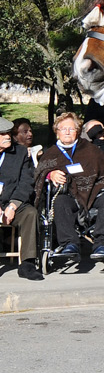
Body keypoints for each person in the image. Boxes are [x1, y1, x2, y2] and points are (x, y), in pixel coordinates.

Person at [35, 112, 104, 262]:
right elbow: (40, 172)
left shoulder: (90, 149)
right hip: (68, 195)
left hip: (94, 193)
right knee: (60, 202)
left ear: (78, 131)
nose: (67, 132)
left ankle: (101, 244)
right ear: (57, 132)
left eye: (71, 129)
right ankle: (70, 243)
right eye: (63, 129)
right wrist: (50, 174)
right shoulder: (51, 153)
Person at [0, 117, 41, 279]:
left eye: (8, 132)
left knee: (30, 213)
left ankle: (27, 264)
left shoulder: (20, 152)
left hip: (12, 201)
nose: (8, 136)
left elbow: (26, 182)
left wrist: (12, 206)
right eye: (2, 134)